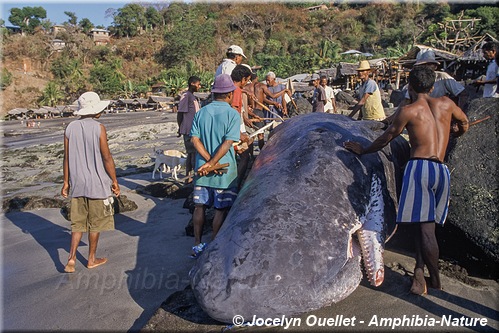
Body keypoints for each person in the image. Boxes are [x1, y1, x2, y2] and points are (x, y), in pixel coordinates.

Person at [344, 66, 469, 295]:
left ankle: (436, 281)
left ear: (410, 86)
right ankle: (420, 271)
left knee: (425, 231)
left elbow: (386, 137)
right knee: (428, 225)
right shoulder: (446, 104)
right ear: (433, 86)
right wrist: (454, 132)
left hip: (419, 166)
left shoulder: (409, 110)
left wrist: (363, 150)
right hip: (441, 170)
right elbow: (465, 123)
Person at [61, 91, 121, 273]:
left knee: (77, 223)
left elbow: (66, 157)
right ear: (96, 110)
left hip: (77, 182)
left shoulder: (70, 127)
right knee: (95, 223)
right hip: (97, 183)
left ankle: (71, 259)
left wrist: (66, 182)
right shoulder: (99, 127)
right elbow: (106, 157)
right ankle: (91, 259)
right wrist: (114, 180)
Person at [189, 74, 240, 258]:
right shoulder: (233, 114)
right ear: (229, 94)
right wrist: (214, 162)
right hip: (224, 173)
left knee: (199, 206)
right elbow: (228, 143)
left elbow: (194, 139)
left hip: (202, 169)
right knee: (220, 209)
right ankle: (214, 243)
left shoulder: (201, 112)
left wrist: (207, 161)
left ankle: (196, 244)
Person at [177, 76, 201, 182]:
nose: (199, 87)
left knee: (192, 154)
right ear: (192, 83)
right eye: (198, 84)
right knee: (192, 154)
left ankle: (189, 176)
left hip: (194, 129)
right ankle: (190, 176)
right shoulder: (186, 96)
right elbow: (180, 113)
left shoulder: (193, 97)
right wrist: (180, 127)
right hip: (188, 129)